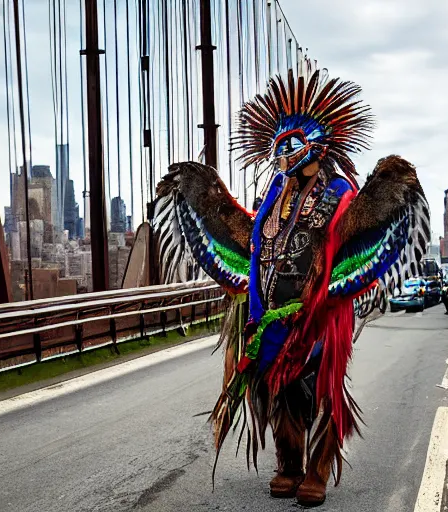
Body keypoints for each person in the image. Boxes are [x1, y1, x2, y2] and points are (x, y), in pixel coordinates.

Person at [152, 67, 430, 507]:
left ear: (317, 148)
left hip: (322, 313)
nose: (281, 156)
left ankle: (319, 468)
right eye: (277, 147)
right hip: (271, 314)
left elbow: (358, 234)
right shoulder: (272, 201)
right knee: (279, 385)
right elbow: (250, 246)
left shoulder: (341, 195)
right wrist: (198, 192)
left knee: (321, 387)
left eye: (291, 146)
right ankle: (288, 463)